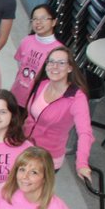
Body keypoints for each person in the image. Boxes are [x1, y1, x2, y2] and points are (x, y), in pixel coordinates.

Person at [23, 45, 94, 181]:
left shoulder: (76, 98)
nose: (54, 66)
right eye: (51, 61)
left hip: (46, 158)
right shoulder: (42, 83)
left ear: (70, 68)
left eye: (61, 63)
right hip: (25, 147)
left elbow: (85, 132)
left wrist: (82, 164)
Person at [11, 3, 62, 106]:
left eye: (43, 18)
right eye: (34, 19)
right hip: (16, 95)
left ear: (54, 22)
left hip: (37, 101)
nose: (38, 22)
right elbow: (20, 66)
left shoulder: (59, 50)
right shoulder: (26, 41)